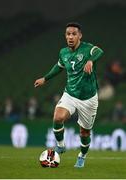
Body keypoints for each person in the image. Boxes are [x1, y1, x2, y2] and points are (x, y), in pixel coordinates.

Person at [34, 22, 104, 168]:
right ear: (65, 36)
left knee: (84, 133)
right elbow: (59, 66)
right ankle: (60, 146)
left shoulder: (87, 48)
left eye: (74, 34)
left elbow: (99, 51)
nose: (70, 37)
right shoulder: (63, 52)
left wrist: (91, 60)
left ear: (80, 35)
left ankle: (82, 156)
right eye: (68, 34)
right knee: (58, 117)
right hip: (70, 94)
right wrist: (45, 78)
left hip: (88, 99)